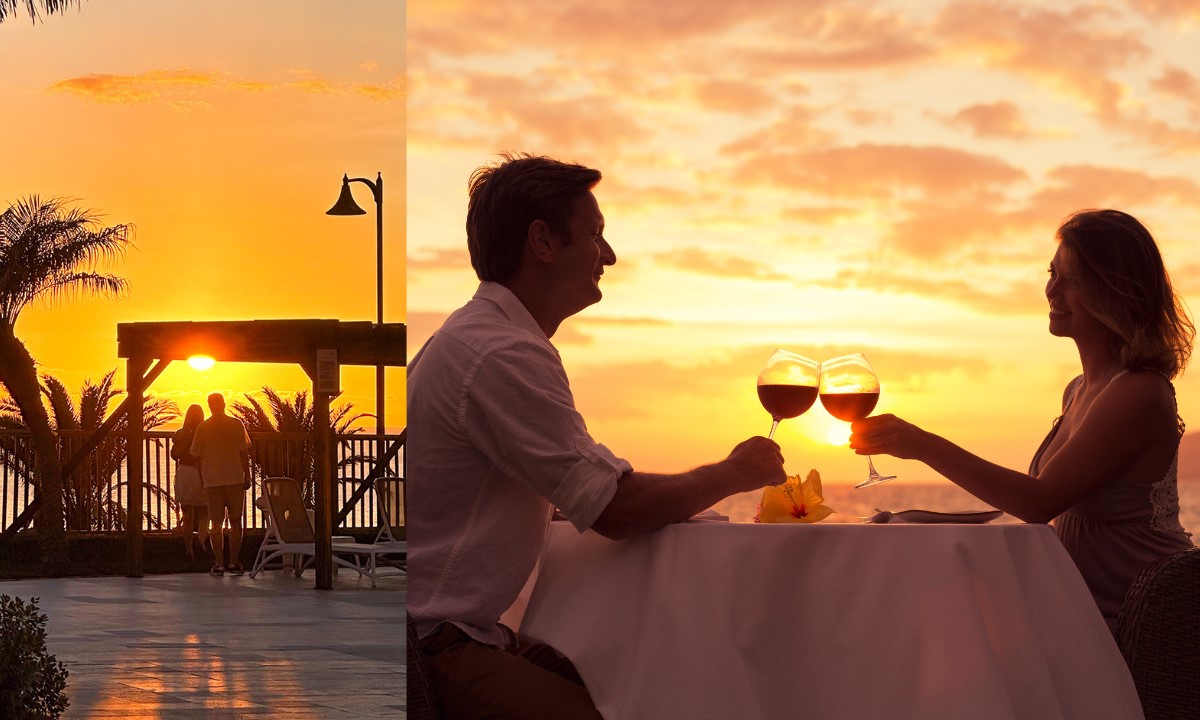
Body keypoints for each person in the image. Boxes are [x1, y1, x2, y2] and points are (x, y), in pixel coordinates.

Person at [407, 152, 787, 719]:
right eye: (596, 234)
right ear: (543, 241)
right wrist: (734, 473)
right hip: (434, 645)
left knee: (629, 684)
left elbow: (569, 485)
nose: (608, 255)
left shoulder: (475, 338)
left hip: (464, 630)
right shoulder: (502, 354)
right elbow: (614, 506)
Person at [849, 208, 1195, 632]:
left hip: (1140, 625)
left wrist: (921, 444)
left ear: (1114, 291)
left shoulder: (1139, 392)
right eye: (1052, 273)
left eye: (1072, 280)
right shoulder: (1079, 389)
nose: (1052, 289)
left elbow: (1038, 501)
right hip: (1076, 609)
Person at [191, 392, 252, 577]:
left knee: (218, 523)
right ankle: (231, 561)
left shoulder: (204, 427)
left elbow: (197, 457)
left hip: (216, 480)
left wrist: (203, 478)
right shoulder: (235, 424)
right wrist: (247, 475)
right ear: (223, 404)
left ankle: (220, 563)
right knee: (233, 522)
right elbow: (244, 453)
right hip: (231, 478)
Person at [171, 403, 210, 561]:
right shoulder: (204, 433)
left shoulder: (180, 434)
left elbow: (174, 455)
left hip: (184, 472)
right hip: (199, 472)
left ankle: (188, 549)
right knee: (203, 511)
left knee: (187, 513)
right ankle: (202, 544)